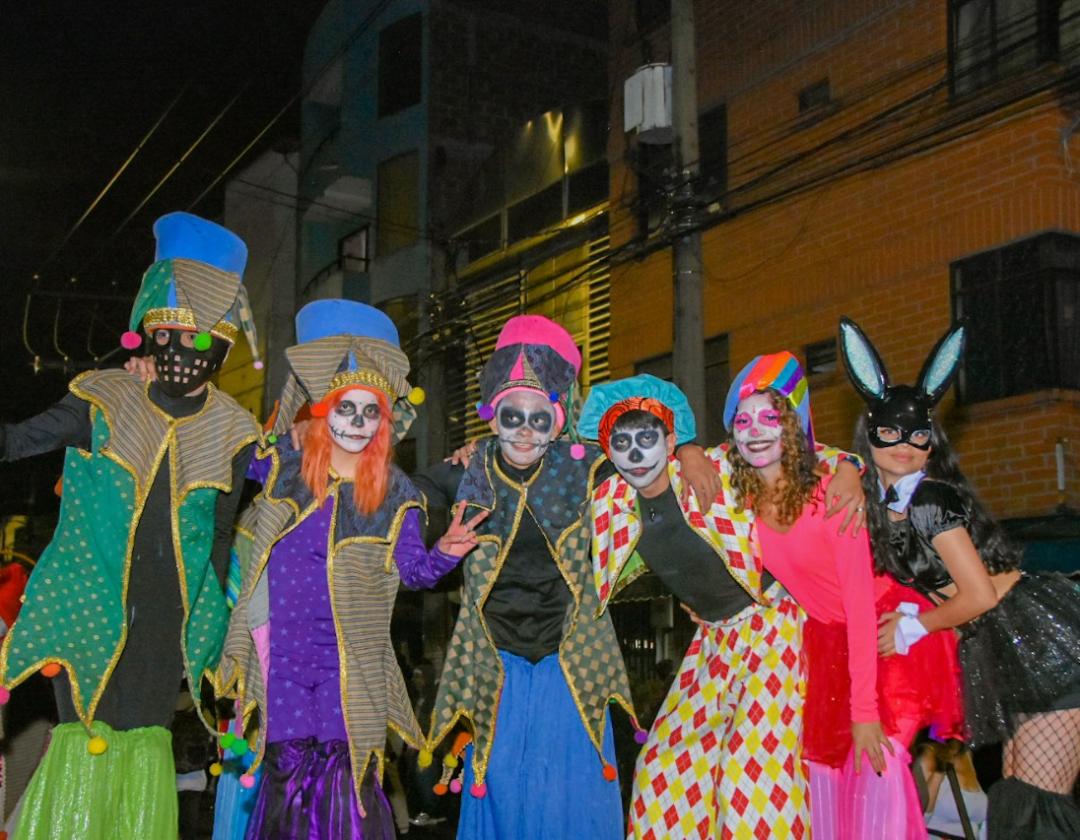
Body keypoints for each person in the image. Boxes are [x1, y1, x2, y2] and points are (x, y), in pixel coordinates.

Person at [0, 212, 261, 840]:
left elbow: (220, 539)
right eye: (167, 333)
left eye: (201, 340)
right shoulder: (106, 397)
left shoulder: (233, 430)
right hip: (86, 603)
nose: (181, 352)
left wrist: (214, 625)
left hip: (166, 616)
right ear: (146, 329)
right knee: (83, 737)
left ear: (223, 346)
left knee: (145, 743)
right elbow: (16, 441)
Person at [414, 315, 723, 840]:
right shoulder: (469, 468)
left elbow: (646, 447)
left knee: (573, 795)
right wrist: (437, 550)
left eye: (540, 417)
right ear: (492, 415)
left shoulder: (586, 465)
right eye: (512, 415)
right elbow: (402, 496)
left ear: (560, 417)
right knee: (503, 788)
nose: (526, 431)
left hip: (572, 660)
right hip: (496, 665)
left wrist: (688, 446)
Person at [216, 299, 482, 839]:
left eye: (370, 412)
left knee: (346, 781)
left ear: (384, 422)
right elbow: (221, 437)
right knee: (286, 779)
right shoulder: (281, 470)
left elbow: (412, 572)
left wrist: (446, 554)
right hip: (281, 660)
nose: (358, 424)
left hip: (351, 666)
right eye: (346, 408)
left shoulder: (395, 492)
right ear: (323, 410)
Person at [578, 373, 866, 840]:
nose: (634, 453)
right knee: (664, 764)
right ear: (607, 449)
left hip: (774, 626)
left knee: (751, 772)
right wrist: (475, 457)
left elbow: (787, 451)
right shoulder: (608, 500)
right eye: (621, 441)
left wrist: (850, 465)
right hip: (714, 638)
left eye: (647, 438)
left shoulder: (709, 467)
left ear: (670, 439)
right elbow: (539, 476)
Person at [838, 316, 1080, 838]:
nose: (905, 445)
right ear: (870, 434)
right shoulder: (887, 506)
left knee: (1037, 801)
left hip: (1046, 644)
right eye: (890, 433)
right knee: (1015, 796)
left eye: (918, 435)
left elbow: (978, 595)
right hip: (1007, 648)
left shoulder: (929, 498)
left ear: (931, 442)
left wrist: (915, 625)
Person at [722, 351, 891, 840]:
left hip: (879, 639)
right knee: (830, 800)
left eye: (770, 417)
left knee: (880, 792)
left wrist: (865, 713)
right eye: (743, 420)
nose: (754, 430)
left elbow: (860, 608)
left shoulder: (830, 498)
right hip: (819, 644)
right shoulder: (742, 505)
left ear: (793, 425)